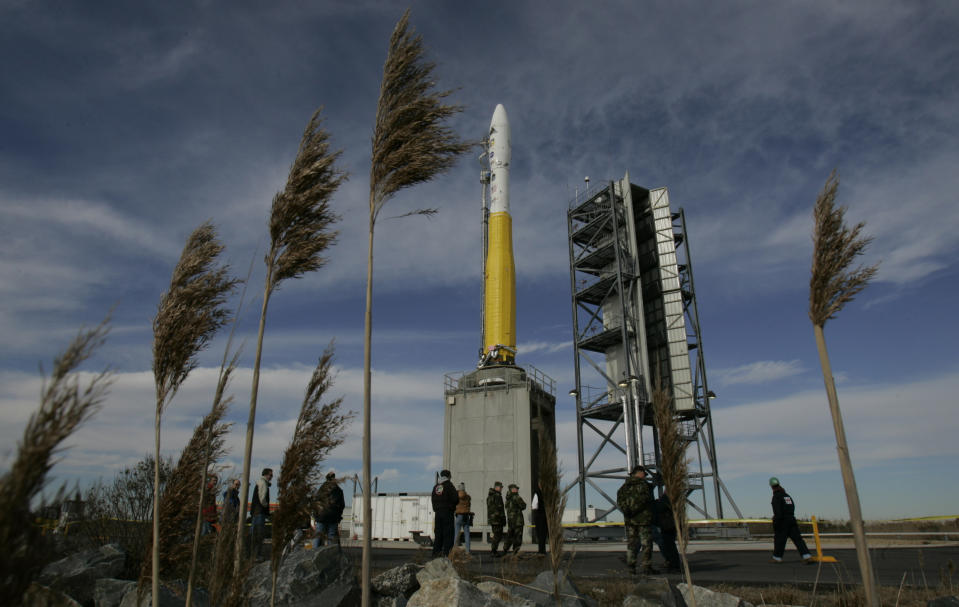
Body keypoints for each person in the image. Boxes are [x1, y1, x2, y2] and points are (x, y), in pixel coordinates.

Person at [617, 465, 657, 574]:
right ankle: (646, 567)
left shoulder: (624, 487)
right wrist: (636, 509)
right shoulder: (644, 485)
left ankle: (631, 566)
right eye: (644, 474)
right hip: (643, 520)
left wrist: (628, 511)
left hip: (630, 520)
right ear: (639, 473)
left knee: (632, 544)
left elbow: (620, 501)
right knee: (646, 544)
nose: (645, 476)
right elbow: (645, 499)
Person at [769, 477, 812, 563]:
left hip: (782, 521)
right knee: (798, 539)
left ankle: (777, 558)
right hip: (791, 520)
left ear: (771, 486)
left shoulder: (776, 497)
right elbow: (792, 507)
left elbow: (777, 511)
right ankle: (806, 556)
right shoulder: (787, 496)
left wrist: (776, 522)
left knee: (779, 540)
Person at [313, 470, 345, 548]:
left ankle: (313, 555)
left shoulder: (322, 489)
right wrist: (338, 517)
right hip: (333, 517)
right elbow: (342, 505)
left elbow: (316, 502)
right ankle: (330, 555)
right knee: (331, 537)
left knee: (318, 536)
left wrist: (315, 516)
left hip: (321, 516)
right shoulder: (338, 490)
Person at [431, 469, 459, 557]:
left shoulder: (436, 487)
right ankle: (447, 555)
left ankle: (436, 554)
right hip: (447, 513)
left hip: (438, 513)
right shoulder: (449, 485)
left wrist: (436, 509)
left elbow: (433, 499)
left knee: (438, 534)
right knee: (448, 534)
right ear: (448, 476)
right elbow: (456, 499)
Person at [652, 492, 681, 571]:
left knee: (669, 544)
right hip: (669, 524)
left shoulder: (666, 498)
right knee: (669, 544)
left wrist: (656, 503)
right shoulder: (674, 497)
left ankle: (673, 564)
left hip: (668, 525)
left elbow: (662, 507)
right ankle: (673, 563)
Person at [250, 467, 273, 560]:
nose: (272, 477)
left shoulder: (260, 483)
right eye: (271, 475)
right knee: (259, 534)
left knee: (254, 534)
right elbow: (262, 498)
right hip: (260, 512)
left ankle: (253, 555)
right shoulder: (263, 483)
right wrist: (266, 506)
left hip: (256, 512)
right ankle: (257, 555)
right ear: (266, 475)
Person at [503, 483, 526, 554]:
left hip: (511, 520)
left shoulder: (508, 499)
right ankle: (515, 552)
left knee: (510, 536)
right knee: (518, 537)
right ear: (512, 489)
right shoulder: (517, 497)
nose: (517, 490)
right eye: (516, 489)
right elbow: (523, 506)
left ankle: (505, 549)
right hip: (518, 521)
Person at [487, 481, 506, 557]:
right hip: (497, 519)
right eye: (500, 487)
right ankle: (493, 550)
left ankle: (494, 550)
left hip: (492, 519)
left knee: (496, 535)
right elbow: (499, 509)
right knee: (498, 535)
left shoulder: (490, 496)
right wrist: (502, 518)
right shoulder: (497, 496)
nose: (501, 489)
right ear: (497, 487)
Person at [454, 482, 472, 553]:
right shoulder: (468, 497)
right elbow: (469, 505)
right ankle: (467, 551)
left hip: (459, 515)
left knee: (456, 534)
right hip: (466, 516)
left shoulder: (456, 496)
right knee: (467, 534)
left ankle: (455, 550)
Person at [531, 482, 548, 555]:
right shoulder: (548, 493)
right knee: (544, 534)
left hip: (539, 516)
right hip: (546, 516)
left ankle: (541, 550)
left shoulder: (537, 493)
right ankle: (542, 550)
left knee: (540, 534)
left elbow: (534, 506)